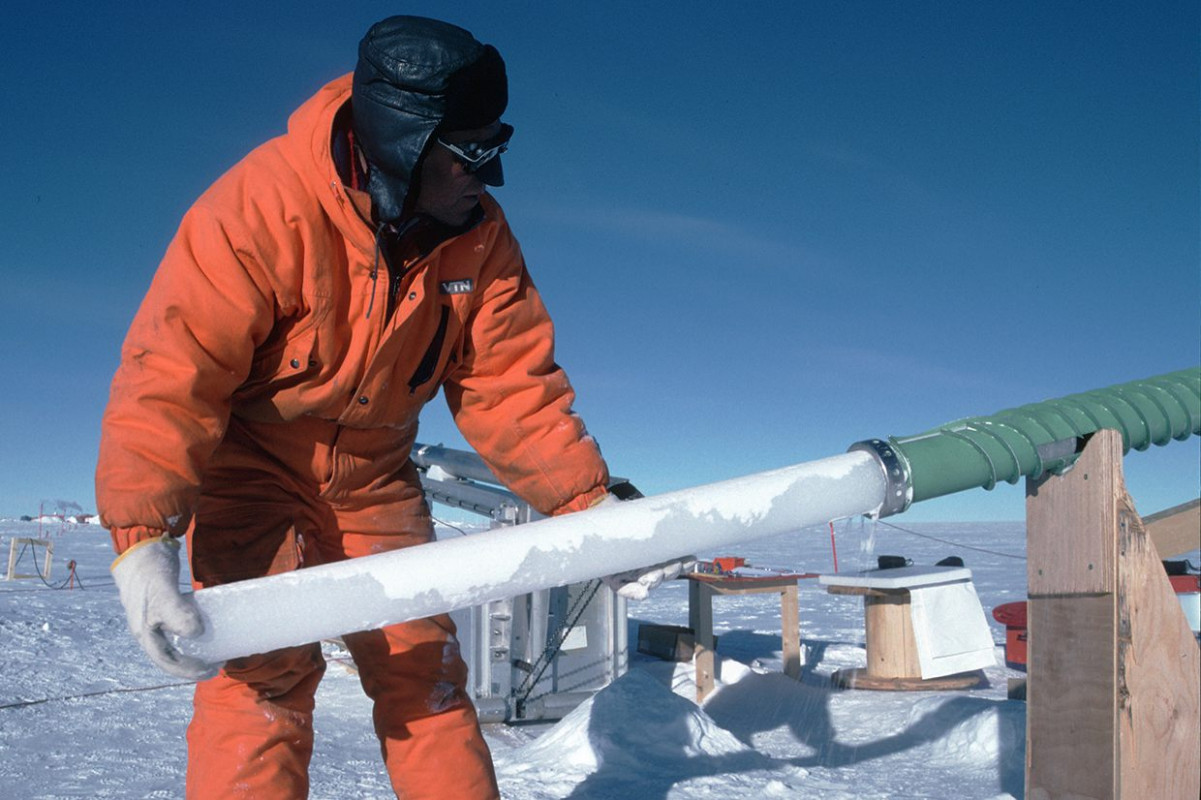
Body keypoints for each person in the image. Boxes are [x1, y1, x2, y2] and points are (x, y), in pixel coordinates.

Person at [96, 15, 682, 800]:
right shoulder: (260, 207)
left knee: (425, 680)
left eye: (497, 145)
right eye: (472, 151)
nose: (492, 175)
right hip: (253, 472)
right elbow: (172, 371)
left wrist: (587, 506)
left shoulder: (479, 238)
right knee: (261, 680)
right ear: (406, 139)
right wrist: (143, 539)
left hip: (375, 479)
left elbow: (509, 384)